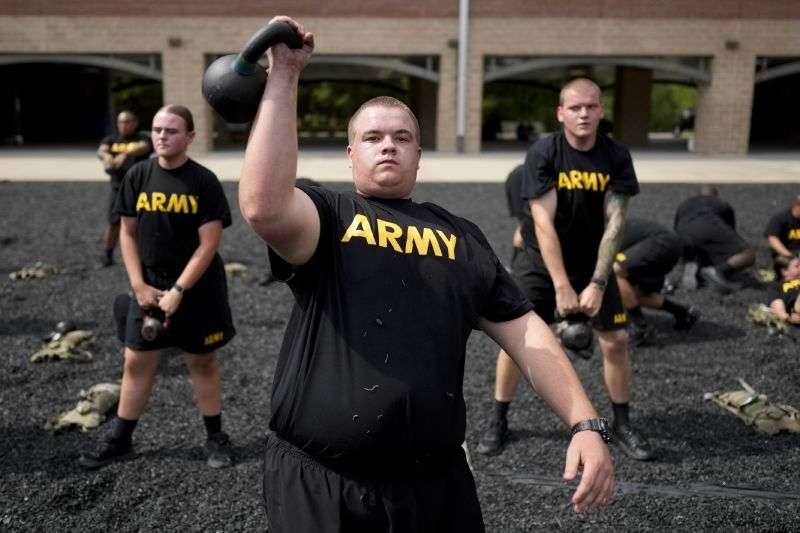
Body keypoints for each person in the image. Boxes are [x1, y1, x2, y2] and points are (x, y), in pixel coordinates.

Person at [239, 17, 614, 531]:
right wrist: (284, 75)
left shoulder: (463, 237)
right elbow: (263, 207)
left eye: (402, 137)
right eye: (372, 137)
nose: (388, 145)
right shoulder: (328, 215)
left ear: (419, 155)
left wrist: (585, 423)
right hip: (322, 481)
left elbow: (528, 333)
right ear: (352, 155)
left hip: (435, 485)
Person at [478, 78, 654, 462]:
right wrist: (561, 286)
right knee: (515, 338)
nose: (584, 114)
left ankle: (622, 424)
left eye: (591, 106)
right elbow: (543, 223)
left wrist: (598, 281)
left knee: (616, 340)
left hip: (592, 261)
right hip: (540, 261)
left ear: (601, 111)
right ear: (561, 113)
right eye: (575, 108)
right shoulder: (544, 152)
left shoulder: (616, 156)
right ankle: (499, 418)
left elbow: (616, 224)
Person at [79, 105, 236, 470]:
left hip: (197, 288)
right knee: (136, 360)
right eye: (157, 130)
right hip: (149, 285)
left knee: (202, 361)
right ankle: (121, 439)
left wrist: (179, 291)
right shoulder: (137, 175)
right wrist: (138, 285)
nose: (162, 136)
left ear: (190, 137)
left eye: (172, 130)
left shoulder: (203, 181)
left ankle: (215, 437)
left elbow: (209, 243)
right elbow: (128, 234)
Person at [613, 217, 700, 345]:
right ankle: (684, 313)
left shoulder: (592, 234)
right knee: (633, 294)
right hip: (664, 246)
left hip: (658, 242)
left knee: (613, 273)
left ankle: (641, 328)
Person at [673, 186, 755, 293]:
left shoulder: (683, 205)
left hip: (684, 233)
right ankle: (719, 271)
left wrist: (682, 258)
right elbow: (729, 231)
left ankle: (691, 264)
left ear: (697, 194)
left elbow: (676, 229)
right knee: (747, 254)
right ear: (715, 195)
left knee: (697, 247)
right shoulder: (721, 203)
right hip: (709, 227)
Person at [96, 111, 153, 267]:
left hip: (140, 188)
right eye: (120, 122)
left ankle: (144, 257)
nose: (123, 125)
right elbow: (101, 150)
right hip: (118, 188)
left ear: (135, 123)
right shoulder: (111, 139)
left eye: (127, 121)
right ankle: (107, 255)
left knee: (143, 223)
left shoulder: (142, 138)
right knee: (114, 222)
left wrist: (125, 154)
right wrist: (106, 156)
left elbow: (145, 147)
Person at [504, 164, 527, 271]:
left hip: (515, 177)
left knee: (523, 225)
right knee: (525, 225)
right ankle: (514, 264)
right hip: (521, 179)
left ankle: (514, 264)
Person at [764, 194, 800, 259]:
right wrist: (790, 257)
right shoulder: (780, 218)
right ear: (797, 206)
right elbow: (772, 240)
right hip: (786, 255)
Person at [768, 255, 800, 324]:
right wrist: (788, 318)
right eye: (797, 266)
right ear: (784, 271)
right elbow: (776, 302)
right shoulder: (777, 285)